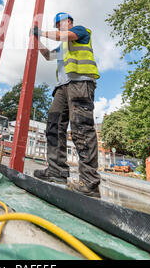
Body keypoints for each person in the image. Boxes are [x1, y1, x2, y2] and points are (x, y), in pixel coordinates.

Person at [31, 12, 101, 198]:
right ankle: (57, 172)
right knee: (53, 127)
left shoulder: (80, 31)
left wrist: (42, 32)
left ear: (69, 22)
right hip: (62, 88)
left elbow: (66, 35)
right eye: (57, 25)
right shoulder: (62, 46)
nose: (59, 27)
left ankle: (89, 183)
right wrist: (37, 39)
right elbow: (47, 55)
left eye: (61, 23)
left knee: (81, 129)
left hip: (80, 84)